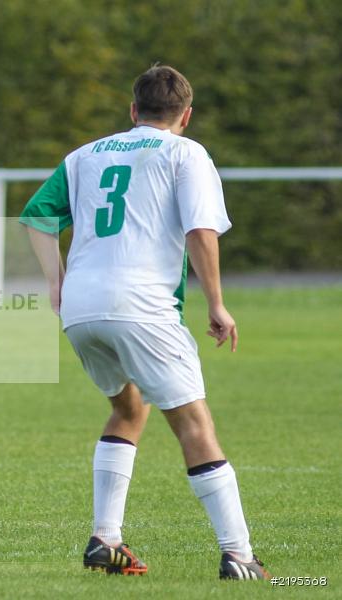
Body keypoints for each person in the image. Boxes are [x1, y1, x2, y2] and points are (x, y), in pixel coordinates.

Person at [21, 65, 270, 580]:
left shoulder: (85, 155)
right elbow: (202, 231)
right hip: (143, 307)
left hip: (82, 308)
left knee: (128, 410)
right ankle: (240, 555)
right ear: (187, 116)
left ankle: (105, 539)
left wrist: (56, 281)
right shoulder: (186, 152)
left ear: (132, 111)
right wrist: (217, 305)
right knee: (194, 426)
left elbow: (37, 215)